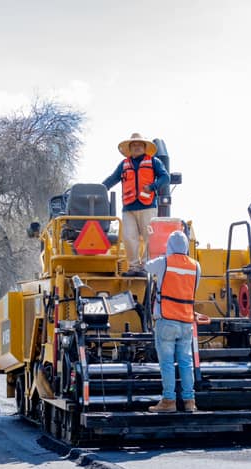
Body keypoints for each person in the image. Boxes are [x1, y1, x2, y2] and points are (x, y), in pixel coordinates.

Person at [147, 230, 201, 413]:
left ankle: (169, 401)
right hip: (186, 321)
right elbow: (194, 287)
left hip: (167, 320)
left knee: (167, 363)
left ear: (169, 246)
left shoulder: (164, 262)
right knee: (186, 362)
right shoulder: (196, 266)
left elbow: (146, 267)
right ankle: (189, 401)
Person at [102, 132, 170, 277]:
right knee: (128, 236)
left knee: (149, 237)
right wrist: (101, 188)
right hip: (129, 208)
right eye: (134, 145)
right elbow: (113, 178)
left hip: (148, 206)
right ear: (130, 148)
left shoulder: (154, 162)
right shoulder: (124, 164)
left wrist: (152, 187)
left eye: (139, 145)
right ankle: (134, 267)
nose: (137, 147)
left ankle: (146, 267)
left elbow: (165, 177)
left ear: (144, 147)